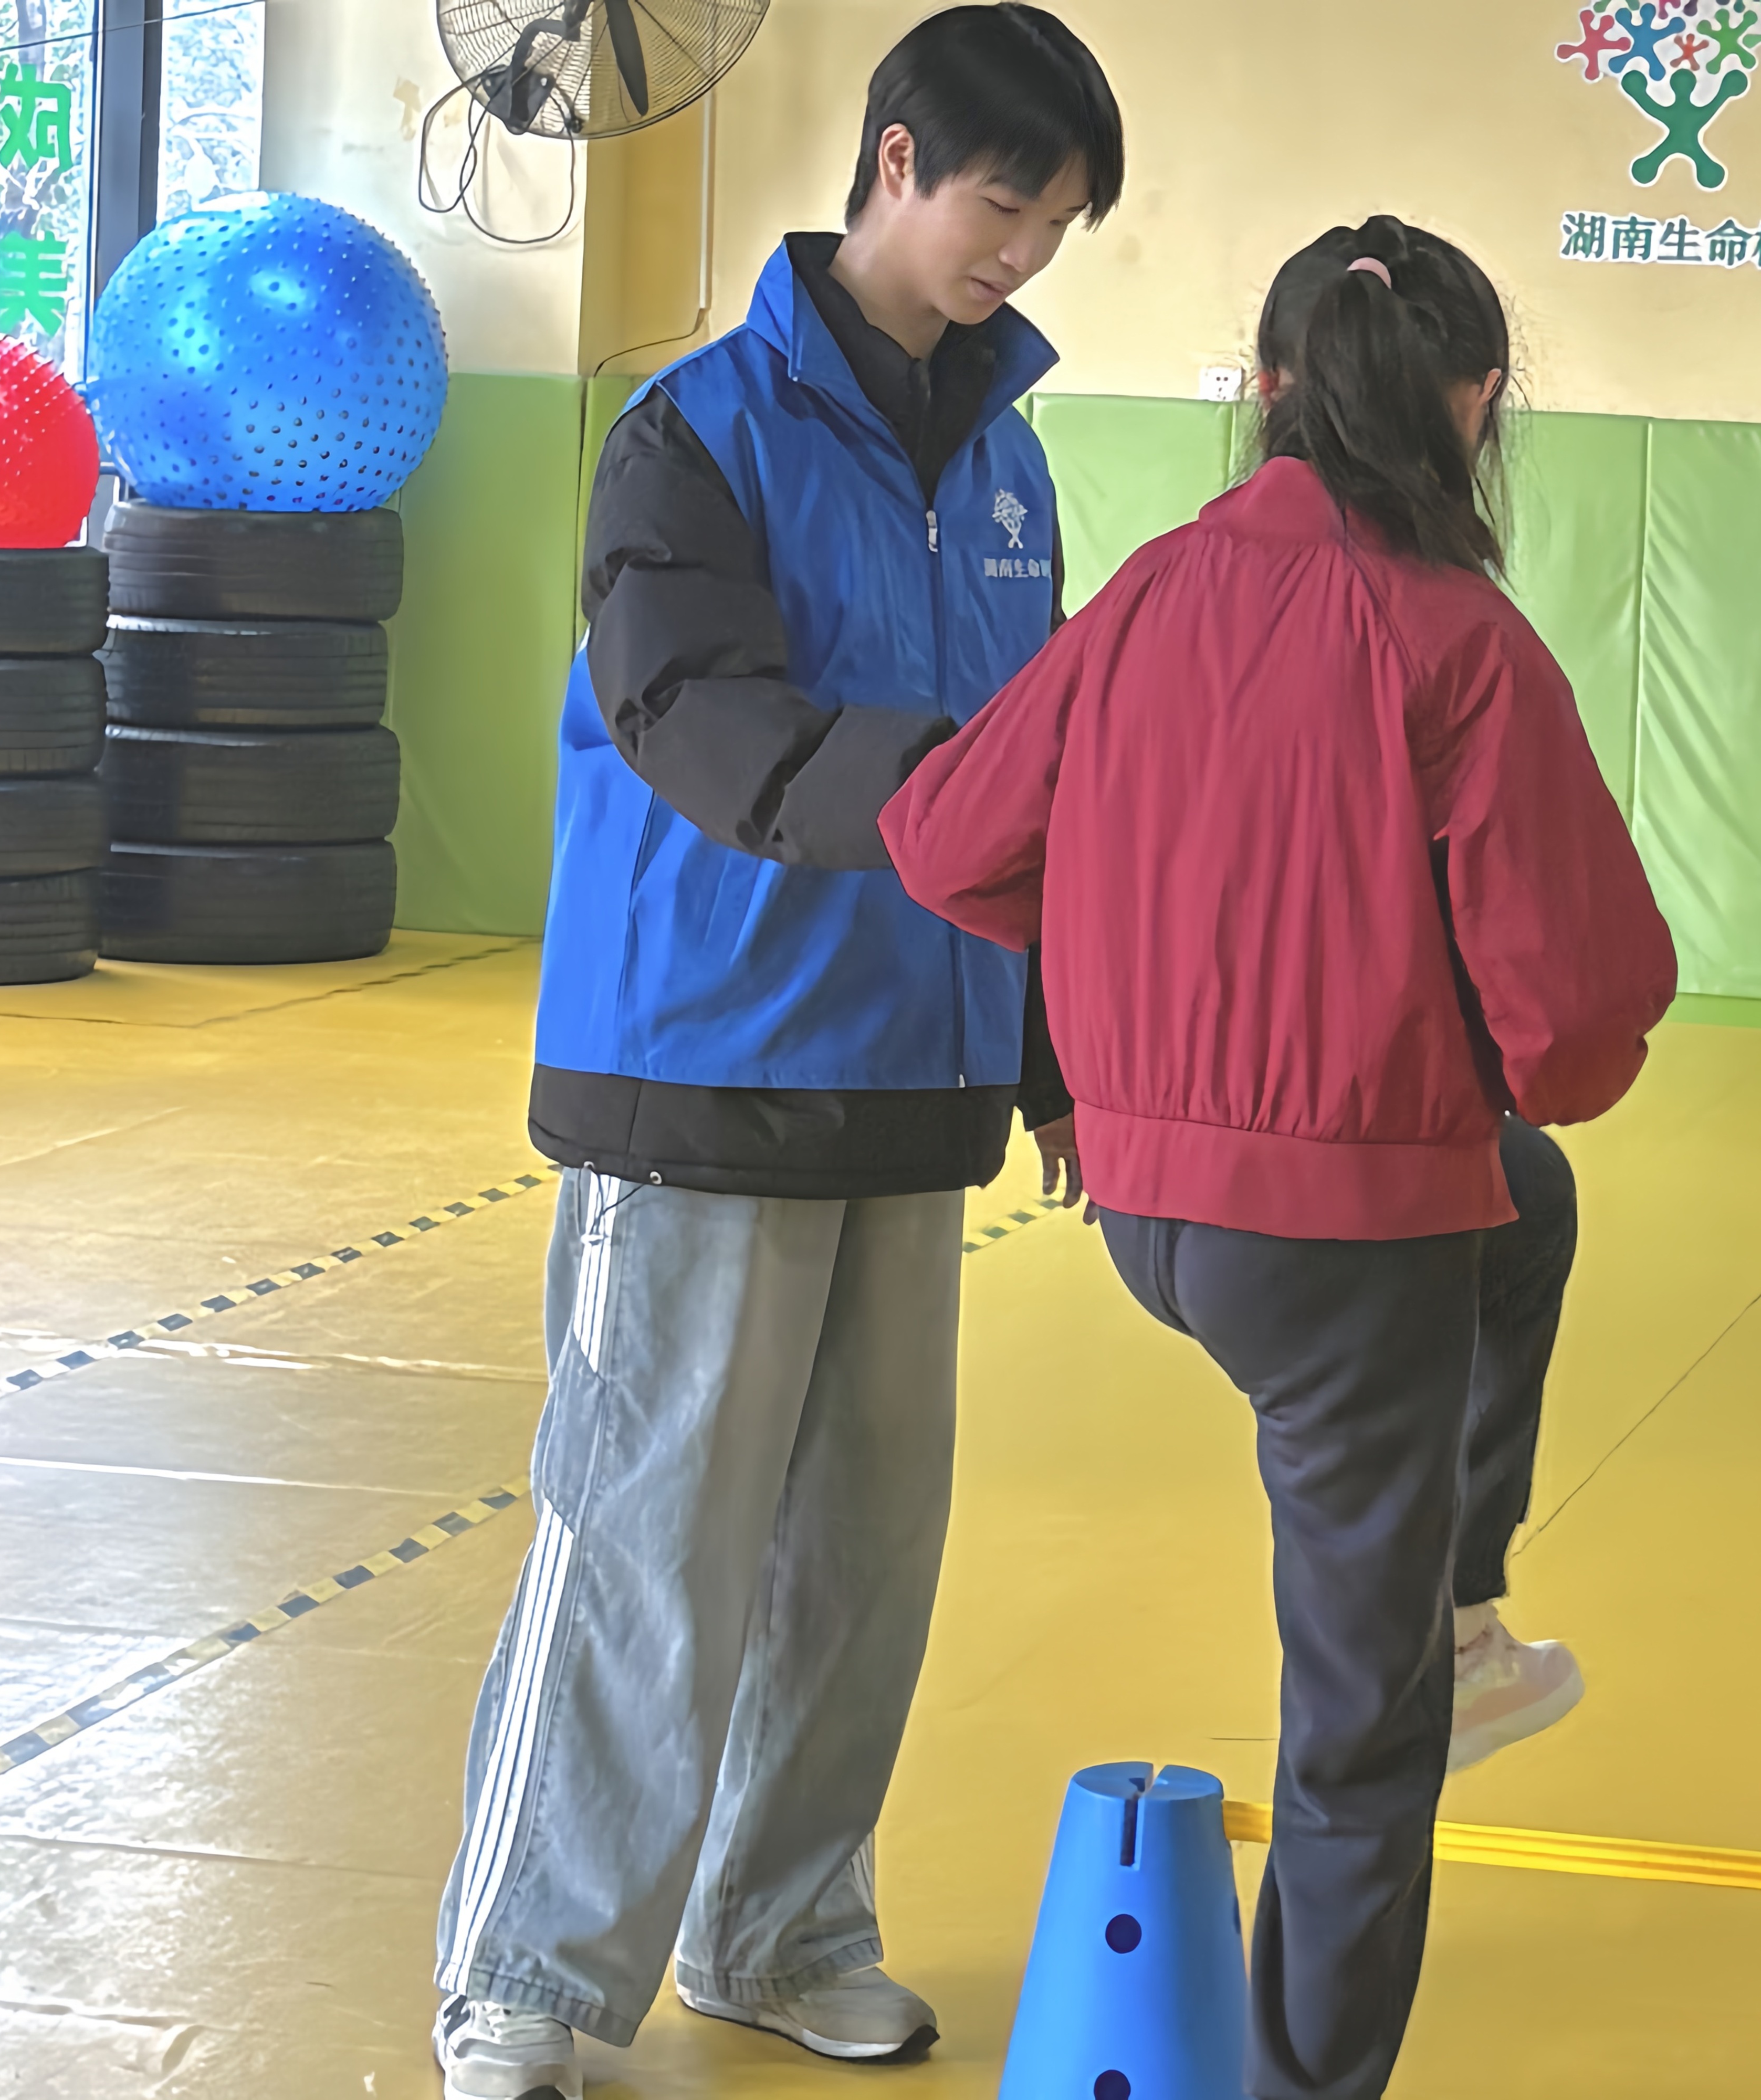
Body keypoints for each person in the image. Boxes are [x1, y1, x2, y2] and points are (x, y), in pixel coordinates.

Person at [884, 216, 1676, 2099]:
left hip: (1150, 1208)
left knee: (1528, 1208)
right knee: (1357, 1741)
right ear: (1478, 406)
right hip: (1337, 1247)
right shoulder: (1462, 641)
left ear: (1264, 392)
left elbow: (944, 841)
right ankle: (1311, 2065)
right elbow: (1578, 1025)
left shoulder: (1152, 589)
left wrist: (1132, 974)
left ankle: (1462, 1605)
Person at [427, 12, 1122, 2098]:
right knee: (647, 1546)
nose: (1025, 253)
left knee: (861, 1562)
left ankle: (784, 1924)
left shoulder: (1009, 467)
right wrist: (943, 791)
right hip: (706, 1062)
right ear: (895, 160)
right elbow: (696, 716)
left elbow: (1045, 797)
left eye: (1060, 226)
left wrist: (1058, 1054)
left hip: (917, 1068)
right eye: (1005, 202)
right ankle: (529, 1979)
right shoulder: (692, 433)